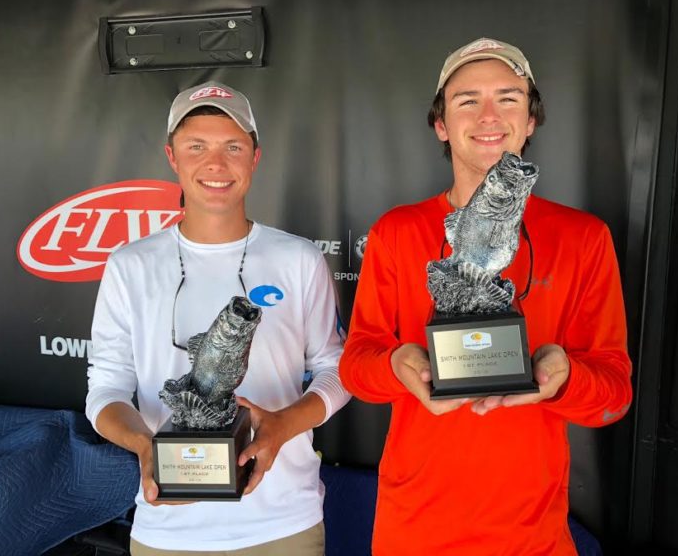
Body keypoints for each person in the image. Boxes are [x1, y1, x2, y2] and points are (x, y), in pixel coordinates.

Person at [339, 37, 632, 555]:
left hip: (531, 534)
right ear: (441, 125)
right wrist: (397, 366)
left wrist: (564, 378)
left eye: (509, 98)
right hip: (414, 529)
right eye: (467, 100)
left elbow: (612, 396)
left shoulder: (583, 237)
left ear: (531, 120)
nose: (489, 115)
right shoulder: (398, 232)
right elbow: (357, 368)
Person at [86, 81, 351, 555]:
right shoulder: (130, 264)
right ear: (172, 156)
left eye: (233, 146)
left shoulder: (300, 259)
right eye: (197, 146)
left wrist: (284, 425)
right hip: (167, 528)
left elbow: (338, 371)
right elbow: (104, 389)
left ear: (255, 157)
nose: (216, 164)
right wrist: (146, 446)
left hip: (283, 524)